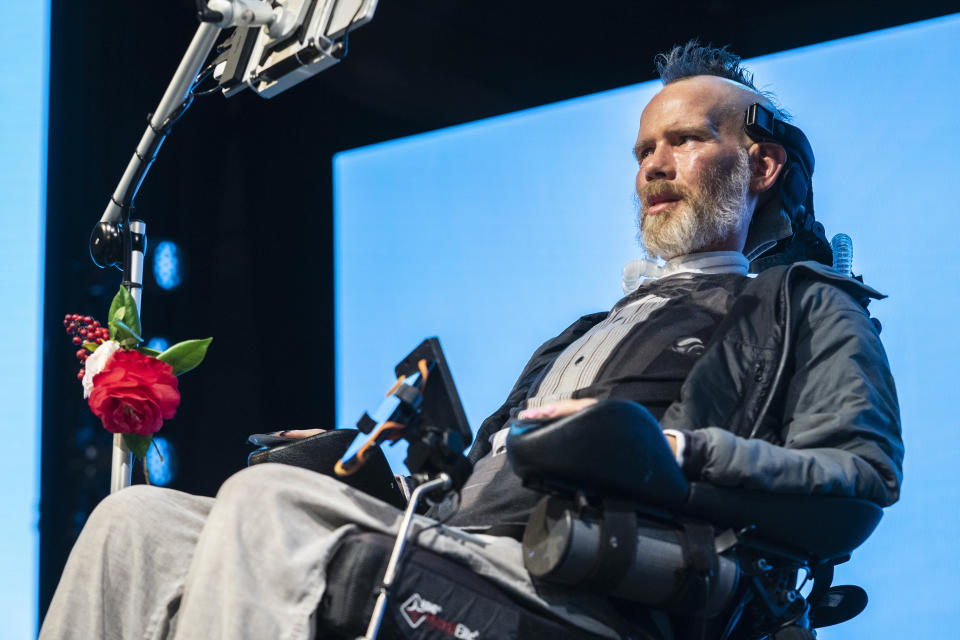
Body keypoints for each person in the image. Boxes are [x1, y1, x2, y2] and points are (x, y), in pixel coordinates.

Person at [39, 41, 903, 640]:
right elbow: (467, 482)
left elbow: (857, 484)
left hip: (586, 594)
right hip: (470, 548)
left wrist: (674, 448)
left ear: (761, 166)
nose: (654, 164)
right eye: (644, 148)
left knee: (269, 509)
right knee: (134, 523)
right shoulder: (585, 332)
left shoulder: (805, 306)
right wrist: (371, 458)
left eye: (686, 139)